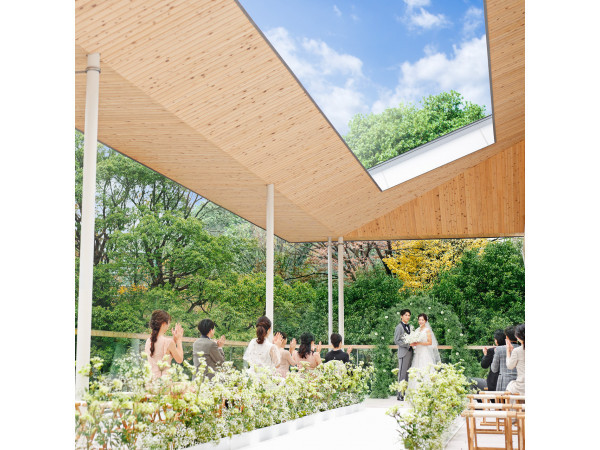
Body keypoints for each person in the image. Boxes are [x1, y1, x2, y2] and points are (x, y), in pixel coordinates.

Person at [144, 310, 184, 379]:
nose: (168, 326)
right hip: (164, 384)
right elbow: (179, 359)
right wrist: (179, 340)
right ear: (163, 324)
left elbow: (165, 353)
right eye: (168, 323)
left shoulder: (148, 341)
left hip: (150, 382)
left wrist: (174, 339)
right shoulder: (168, 342)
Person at [407, 313, 441, 393]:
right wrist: (413, 343)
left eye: (422, 320)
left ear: (425, 321)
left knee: (424, 368)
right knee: (417, 368)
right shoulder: (417, 330)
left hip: (424, 352)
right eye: (419, 320)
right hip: (418, 352)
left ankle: (428, 389)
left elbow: (429, 342)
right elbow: (414, 340)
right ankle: (416, 390)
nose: (420, 321)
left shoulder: (427, 330)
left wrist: (419, 343)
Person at [491, 325, 520, 391]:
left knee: (502, 401)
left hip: (503, 382)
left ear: (506, 337)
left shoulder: (499, 349)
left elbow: (494, 369)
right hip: (519, 382)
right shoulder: (522, 349)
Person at [394, 309, 414, 400]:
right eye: (406, 315)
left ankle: (404, 393)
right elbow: (396, 340)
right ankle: (399, 395)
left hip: (410, 352)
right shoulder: (399, 327)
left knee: (407, 374)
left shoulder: (410, 326)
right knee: (402, 374)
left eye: (409, 315)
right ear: (401, 316)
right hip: (403, 353)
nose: (408, 317)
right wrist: (407, 345)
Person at [506, 324, 525, 394]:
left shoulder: (517, 351)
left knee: (510, 385)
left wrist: (508, 351)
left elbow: (510, 366)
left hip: (522, 386)